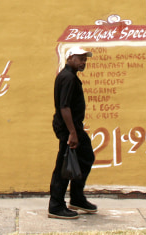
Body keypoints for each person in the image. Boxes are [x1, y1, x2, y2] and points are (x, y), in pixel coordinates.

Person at [48, 46, 98, 219]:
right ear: (70, 58)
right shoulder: (68, 77)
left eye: (85, 59)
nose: (83, 62)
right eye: (80, 58)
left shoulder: (69, 76)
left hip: (71, 127)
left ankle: (76, 198)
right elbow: (64, 107)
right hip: (69, 128)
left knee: (83, 159)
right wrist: (72, 133)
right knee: (65, 165)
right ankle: (56, 206)